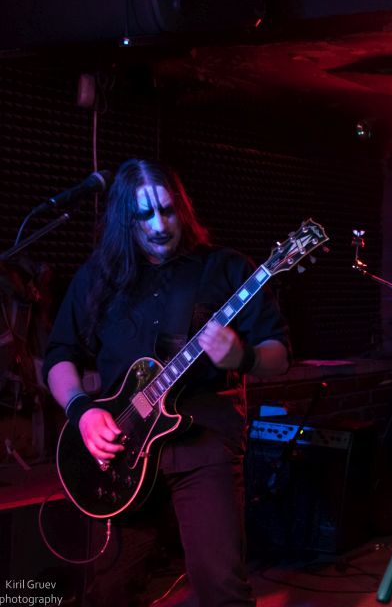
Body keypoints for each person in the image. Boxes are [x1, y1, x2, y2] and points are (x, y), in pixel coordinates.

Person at [43, 159, 291, 606]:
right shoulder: (99, 277)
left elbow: (280, 356)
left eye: (168, 210)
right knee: (111, 592)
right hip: (121, 456)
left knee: (221, 588)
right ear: (124, 219)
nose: (159, 225)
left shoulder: (226, 269)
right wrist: (81, 411)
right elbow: (60, 355)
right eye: (144, 215)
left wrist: (244, 356)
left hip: (202, 445)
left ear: (182, 208)